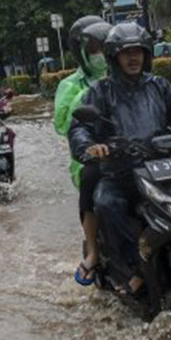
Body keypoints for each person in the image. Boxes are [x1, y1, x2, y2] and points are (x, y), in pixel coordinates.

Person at [68, 22, 171, 298]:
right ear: (114, 57)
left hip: (164, 170)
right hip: (121, 173)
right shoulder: (101, 92)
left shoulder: (159, 86)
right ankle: (133, 269)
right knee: (107, 202)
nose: (133, 57)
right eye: (126, 52)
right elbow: (79, 128)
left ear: (147, 54)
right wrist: (91, 146)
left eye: (138, 51)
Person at [53, 16, 111, 286]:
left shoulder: (125, 76)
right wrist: (83, 102)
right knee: (92, 181)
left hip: (133, 152)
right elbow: (64, 125)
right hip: (90, 158)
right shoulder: (71, 86)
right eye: (95, 49)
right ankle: (94, 251)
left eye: (104, 47)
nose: (101, 55)